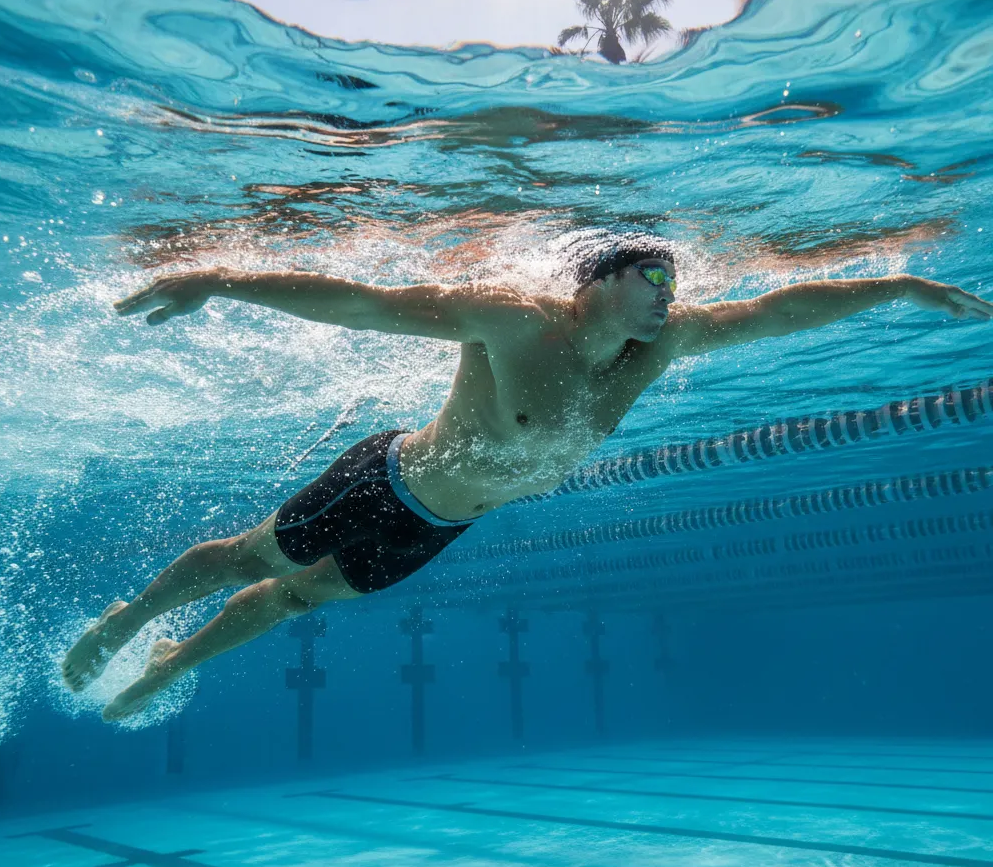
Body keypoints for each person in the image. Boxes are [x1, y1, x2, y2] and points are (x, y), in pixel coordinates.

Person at [61, 234, 993, 721]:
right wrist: (219, 279)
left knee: (300, 602)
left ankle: (175, 663)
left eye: (673, 287)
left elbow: (781, 309)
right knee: (243, 558)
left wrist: (902, 289)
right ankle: (129, 621)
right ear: (597, 281)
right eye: (653, 281)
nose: (672, 300)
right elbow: (363, 303)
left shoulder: (659, 348)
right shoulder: (511, 321)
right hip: (387, 478)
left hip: (440, 525)